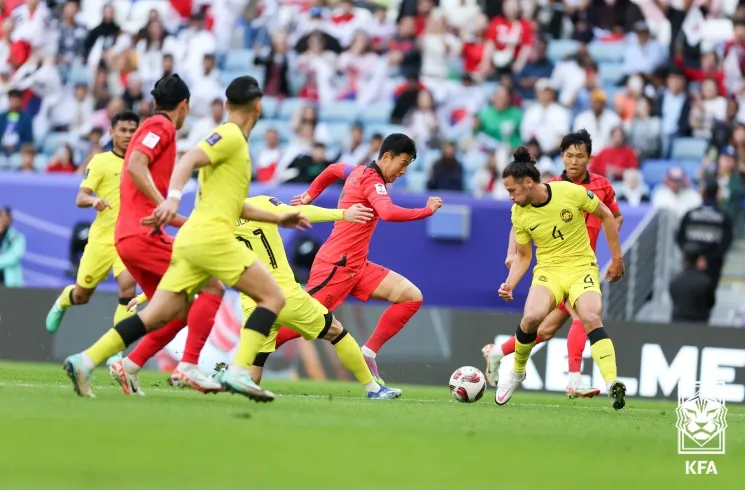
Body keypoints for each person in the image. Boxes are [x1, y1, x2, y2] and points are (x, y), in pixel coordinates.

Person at [63, 76, 310, 402]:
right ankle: (228, 370)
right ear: (259, 106)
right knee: (273, 298)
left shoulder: (228, 141)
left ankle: (86, 360)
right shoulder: (230, 136)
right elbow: (188, 160)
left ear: (225, 105)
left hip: (191, 239)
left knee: (160, 313)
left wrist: (279, 217)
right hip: (212, 238)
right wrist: (173, 199)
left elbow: (235, 203)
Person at [266, 134, 443, 385]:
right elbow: (388, 212)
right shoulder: (372, 180)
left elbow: (332, 170)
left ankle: (368, 352)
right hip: (336, 266)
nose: (403, 171)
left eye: (408, 166)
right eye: (402, 163)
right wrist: (427, 210)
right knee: (301, 323)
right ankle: (245, 356)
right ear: (386, 157)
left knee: (411, 297)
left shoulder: (358, 170)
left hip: (357, 266)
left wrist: (309, 195)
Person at [483, 129, 624, 398]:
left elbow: (610, 216)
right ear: (561, 157)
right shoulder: (520, 211)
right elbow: (523, 252)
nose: (573, 161)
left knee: (588, 316)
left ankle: (608, 382)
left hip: (582, 266)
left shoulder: (574, 191)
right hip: (550, 271)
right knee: (536, 321)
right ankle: (515, 367)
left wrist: (616, 257)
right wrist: (510, 280)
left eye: (579, 156)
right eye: (568, 155)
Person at [219, 194, 402, 399]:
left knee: (253, 370)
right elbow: (299, 213)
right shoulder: (258, 203)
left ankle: (224, 394)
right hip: (282, 294)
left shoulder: (216, 221)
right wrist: (342, 213)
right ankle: (374, 389)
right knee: (336, 332)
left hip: (252, 300)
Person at [45, 112, 141, 365]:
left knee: (128, 290)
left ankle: (117, 350)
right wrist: (94, 200)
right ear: (112, 132)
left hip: (128, 239)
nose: (128, 135)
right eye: (123, 130)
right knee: (82, 295)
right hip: (100, 240)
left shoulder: (142, 162)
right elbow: (81, 197)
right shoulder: (100, 161)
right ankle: (66, 299)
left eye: (133, 130)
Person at [675, 177, 733, 290]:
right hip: (711, 264)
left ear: (702, 192)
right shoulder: (724, 217)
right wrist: (707, 258)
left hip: (692, 263)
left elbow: (680, 237)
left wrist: (693, 257)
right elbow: (726, 242)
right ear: (718, 192)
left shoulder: (690, 214)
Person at [0, 206, 26, 287]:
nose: (4, 219)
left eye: (7, 216)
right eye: (2, 216)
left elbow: (13, 257)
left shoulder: (17, 237)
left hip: (9, 284)